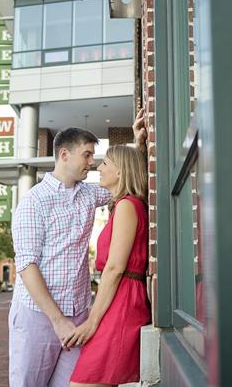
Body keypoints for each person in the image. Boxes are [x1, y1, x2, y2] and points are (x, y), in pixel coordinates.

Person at [9, 110, 147, 387]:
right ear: (64, 155)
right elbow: (25, 265)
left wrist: (139, 145)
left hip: (79, 314)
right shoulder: (33, 201)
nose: (92, 163)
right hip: (38, 315)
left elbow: (125, 180)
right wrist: (57, 320)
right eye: (86, 155)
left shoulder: (90, 193)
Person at [64, 144, 150, 386]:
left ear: (120, 171)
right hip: (121, 298)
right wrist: (139, 143)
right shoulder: (127, 204)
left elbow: (114, 269)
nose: (98, 168)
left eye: (104, 164)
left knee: (84, 381)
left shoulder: (127, 205)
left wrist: (92, 321)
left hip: (122, 302)